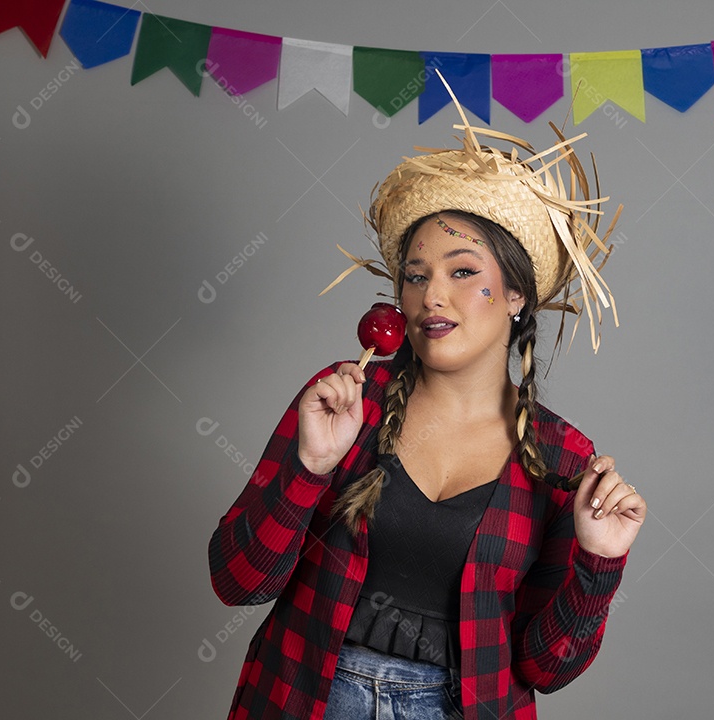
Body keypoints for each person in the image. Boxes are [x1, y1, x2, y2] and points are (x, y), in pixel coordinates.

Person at [208, 86, 646, 720]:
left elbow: (545, 668)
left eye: (463, 272)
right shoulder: (345, 403)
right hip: (309, 699)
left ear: (516, 293)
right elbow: (237, 581)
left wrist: (599, 563)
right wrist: (308, 471)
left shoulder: (561, 458)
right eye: (416, 275)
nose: (431, 296)